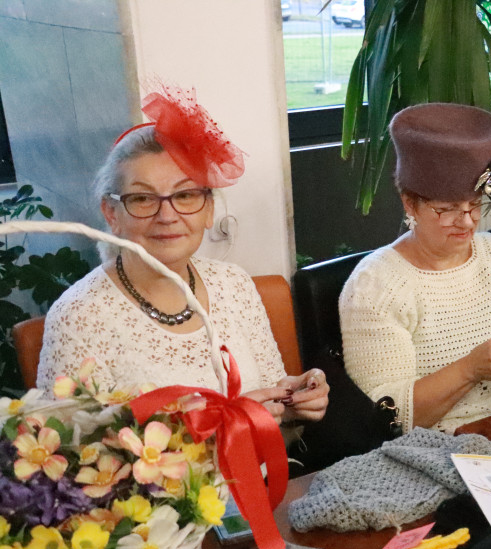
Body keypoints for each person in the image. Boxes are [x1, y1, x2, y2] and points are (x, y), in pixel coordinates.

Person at [38, 85, 329, 424]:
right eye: (143, 198)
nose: (167, 215)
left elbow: (270, 411)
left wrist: (293, 404)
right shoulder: (80, 317)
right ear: (112, 214)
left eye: (186, 195)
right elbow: (70, 462)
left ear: (208, 209)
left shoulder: (234, 284)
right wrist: (223, 426)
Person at [339, 103, 491, 434]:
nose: (466, 221)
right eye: (447, 209)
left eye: (475, 204)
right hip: (439, 450)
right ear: (410, 203)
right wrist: (469, 369)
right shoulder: (377, 285)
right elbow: (387, 418)